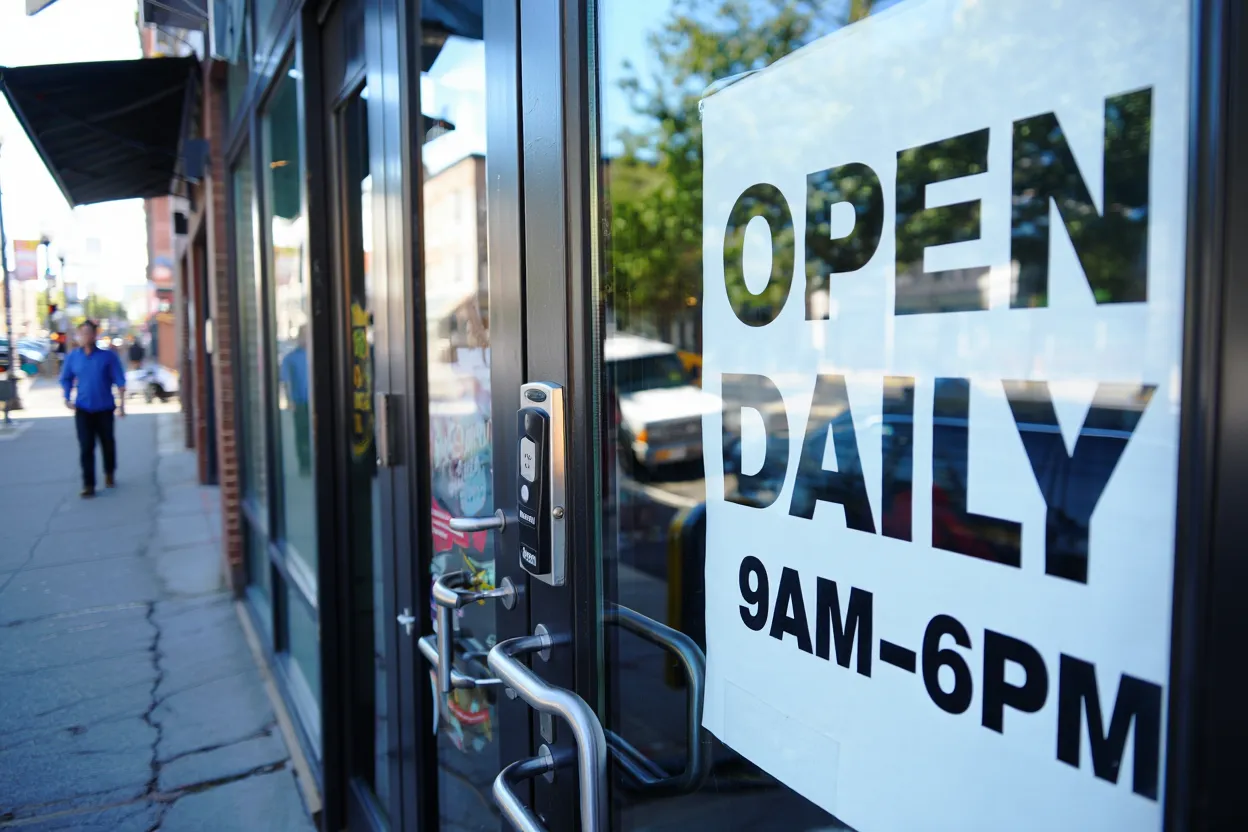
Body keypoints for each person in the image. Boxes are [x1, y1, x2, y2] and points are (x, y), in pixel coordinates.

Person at [60, 320, 127, 498]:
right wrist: (67, 398)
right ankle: (88, 484)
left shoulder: (108, 357)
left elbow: (120, 381)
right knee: (86, 446)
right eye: (82, 333)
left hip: (104, 408)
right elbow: (66, 378)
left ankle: (109, 472)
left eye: (89, 333)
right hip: (83, 409)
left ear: (95, 335)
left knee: (107, 443)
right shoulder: (73, 357)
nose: (85, 336)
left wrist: (122, 406)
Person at [279, 326, 312, 476]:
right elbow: (286, 381)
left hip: (316, 403)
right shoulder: (290, 358)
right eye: (303, 335)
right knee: (302, 434)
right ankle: (305, 465)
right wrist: (289, 400)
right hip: (301, 402)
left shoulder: (315, 356)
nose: (305, 339)